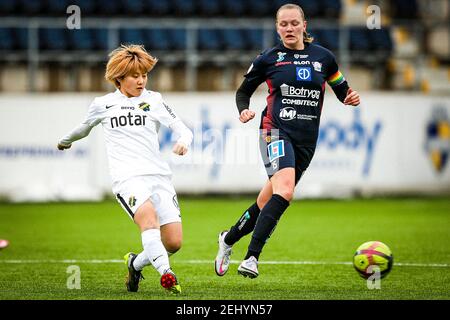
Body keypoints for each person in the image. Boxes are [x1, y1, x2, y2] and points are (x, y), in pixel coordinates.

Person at [215, 4, 360, 279]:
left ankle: (228, 239)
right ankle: (252, 258)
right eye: (284, 24)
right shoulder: (268, 59)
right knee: (286, 190)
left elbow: (341, 89)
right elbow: (243, 91)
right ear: (277, 27)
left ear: (304, 25)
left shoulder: (324, 58)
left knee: (266, 201)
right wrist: (243, 110)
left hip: (306, 139)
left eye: (294, 23)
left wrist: (349, 97)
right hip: (274, 131)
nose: (289, 28)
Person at [57, 44, 193, 294]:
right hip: (128, 179)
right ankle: (167, 273)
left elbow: (182, 128)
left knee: (173, 242)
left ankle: (135, 263)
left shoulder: (154, 100)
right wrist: (65, 141)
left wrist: (183, 141)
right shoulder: (103, 104)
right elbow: (84, 128)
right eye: (135, 76)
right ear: (119, 78)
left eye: (144, 75)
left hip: (159, 177)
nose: (141, 81)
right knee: (149, 222)